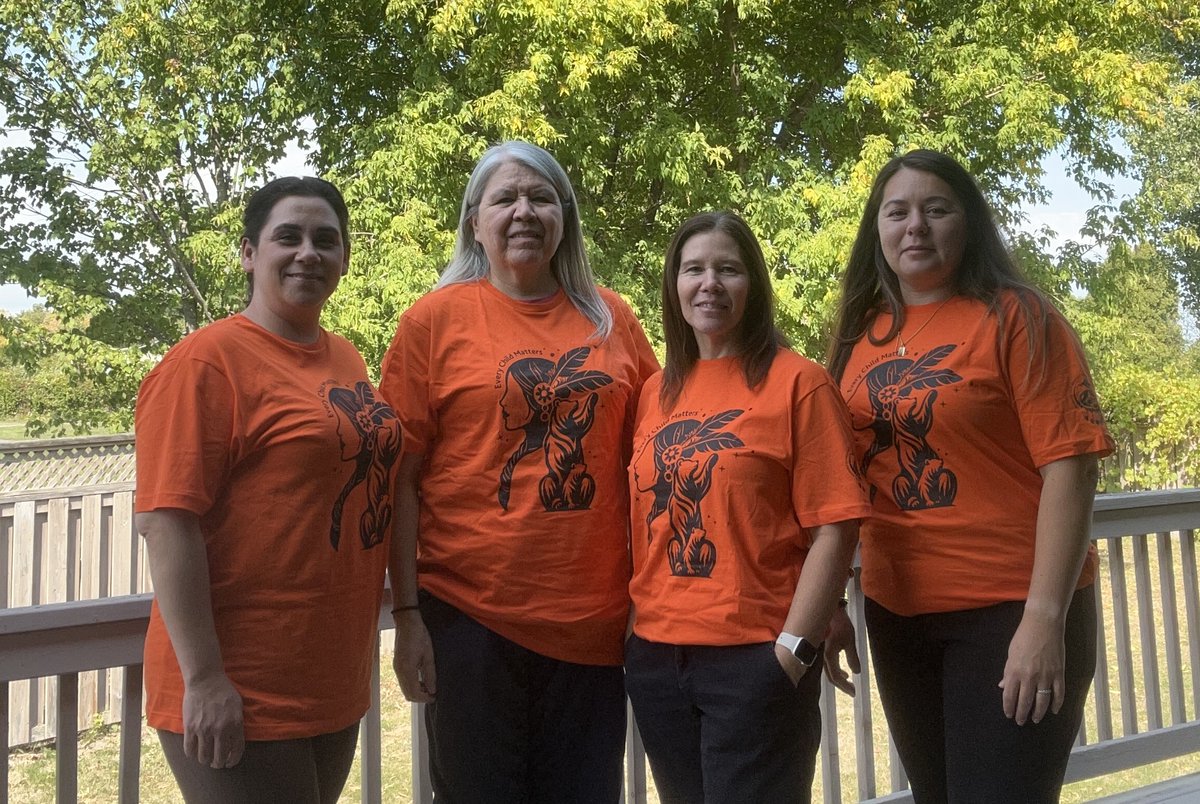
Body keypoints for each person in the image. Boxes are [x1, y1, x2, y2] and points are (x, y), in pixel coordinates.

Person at [826, 149, 1115, 803]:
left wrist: (1044, 620)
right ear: (877, 229)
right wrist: (836, 598)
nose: (915, 228)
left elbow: (1071, 469)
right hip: (900, 612)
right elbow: (845, 479)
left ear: (969, 222)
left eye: (937, 209)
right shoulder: (858, 334)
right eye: (897, 212)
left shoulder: (1019, 316)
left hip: (1010, 609)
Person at [379, 141, 658, 803]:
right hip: (470, 620)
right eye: (505, 198)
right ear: (475, 219)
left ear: (565, 215)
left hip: (593, 624)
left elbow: (656, 452)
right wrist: (409, 616)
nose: (523, 212)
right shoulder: (432, 321)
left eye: (541, 197)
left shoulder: (611, 317)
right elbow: (400, 480)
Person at [134, 177, 402, 804]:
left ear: (343, 259)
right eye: (288, 237)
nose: (309, 252)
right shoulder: (207, 362)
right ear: (249, 253)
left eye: (326, 240)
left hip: (329, 680)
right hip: (241, 686)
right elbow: (167, 523)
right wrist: (204, 678)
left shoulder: (346, 359)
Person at [624, 211, 870, 803]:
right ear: (674, 285)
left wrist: (792, 650)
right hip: (658, 661)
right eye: (694, 269)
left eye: (728, 269)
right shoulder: (656, 391)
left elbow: (835, 527)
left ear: (752, 285)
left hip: (755, 659)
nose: (709, 283)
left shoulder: (798, 383)